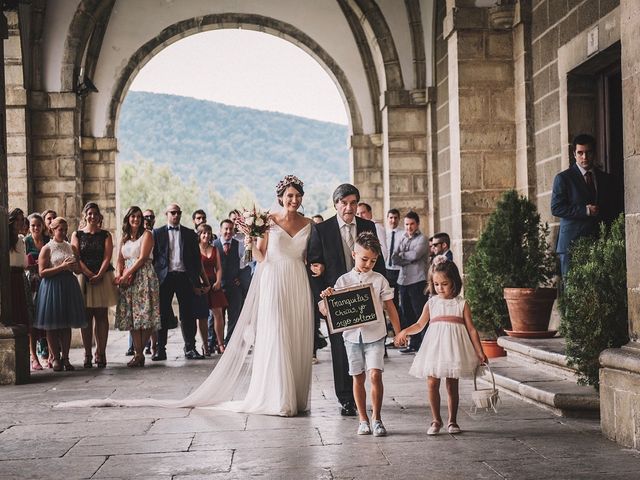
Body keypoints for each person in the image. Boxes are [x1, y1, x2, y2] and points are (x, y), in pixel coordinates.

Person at [58, 175, 314, 416]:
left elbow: (308, 256)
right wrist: (250, 238)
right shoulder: (267, 220)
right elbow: (261, 256)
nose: (294, 200)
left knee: (296, 332)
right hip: (273, 279)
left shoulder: (309, 224)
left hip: (297, 279)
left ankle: (297, 395)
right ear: (280, 197)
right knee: (277, 332)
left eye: (298, 196)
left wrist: (316, 267)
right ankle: (280, 396)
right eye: (289, 195)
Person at [308, 183, 386, 417]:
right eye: (344, 203)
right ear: (336, 204)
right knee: (340, 350)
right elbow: (313, 267)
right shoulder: (321, 230)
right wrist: (320, 301)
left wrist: (381, 294)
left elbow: (378, 262)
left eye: (353, 203)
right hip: (336, 299)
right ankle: (346, 399)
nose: (349, 208)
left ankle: (366, 396)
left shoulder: (368, 226)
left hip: (364, 298)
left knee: (367, 346)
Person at [319, 232, 402, 437]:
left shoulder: (379, 280)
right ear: (354, 253)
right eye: (364, 259)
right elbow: (326, 310)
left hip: (375, 334)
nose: (368, 264)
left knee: (375, 374)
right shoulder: (343, 280)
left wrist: (399, 332)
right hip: (351, 337)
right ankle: (363, 419)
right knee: (357, 377)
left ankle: (377, 419)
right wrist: (327, 298)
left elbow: (390, 307)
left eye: (373, 261)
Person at [395, 256, 487, 435]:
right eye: (436, 284)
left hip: (454, 349)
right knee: (432, 383)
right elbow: (420, 325)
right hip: (434, 348)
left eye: (444, 284)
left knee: (452, 385)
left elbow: (472, 329)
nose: (440, 288)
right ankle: (436, 420)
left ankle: (452, 421)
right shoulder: (432, 303)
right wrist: (404, 331)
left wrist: (479, 351)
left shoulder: (461, 303)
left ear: (454, 282)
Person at [551, 133, 615, 277]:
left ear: (594, 153)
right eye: (580, 153)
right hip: (571, 245)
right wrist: (584, 211)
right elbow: (556, 208)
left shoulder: (606, 178)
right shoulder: (563, 178)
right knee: (572, 291)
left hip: (599, 242)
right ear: (574, 154)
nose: (584, 157)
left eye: (588, 152)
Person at [152, 203, 205, 361]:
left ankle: (190, 348)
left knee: (188, 314)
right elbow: (154, 257)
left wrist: (196, 281)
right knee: (162, 315)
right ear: (166, 214)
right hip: (165, 277)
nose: (176, 215)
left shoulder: (189, 233)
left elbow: (196, 259)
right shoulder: (157, 232)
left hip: (184, 276)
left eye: (178, 213)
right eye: (173, 212)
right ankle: (161, 350)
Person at [33, 217, 86, 372]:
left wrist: (75, 267)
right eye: (59, 229)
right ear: (52, 230)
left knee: (66, 323)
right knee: (52, 324)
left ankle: (66, 358)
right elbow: (42, 272)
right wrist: (62, 267)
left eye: (65, 229)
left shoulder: (71, 247)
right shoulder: (47, 248)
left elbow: (78, 270)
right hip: (52, 287)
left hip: (69, 286)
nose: (63, 232)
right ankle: (55, 357)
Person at [71, 202, 118, 368]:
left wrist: (99, 274)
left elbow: (107, 257)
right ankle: (87, 353)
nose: (92, 216)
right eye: (89, 213)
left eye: (95, 213)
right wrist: (89, 274)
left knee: (101, 316)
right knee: (86, 317)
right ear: (85, 215)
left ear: (99, 217)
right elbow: (77, 257)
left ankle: (101, 352)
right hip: (85, 278)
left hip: (103, 276)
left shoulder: (105, 235)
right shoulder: (76, 235)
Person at [114, 206, 161, 367]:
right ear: (128, 218)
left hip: (144, 276)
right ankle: (138, 354)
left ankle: (139, 354)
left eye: (139, 217)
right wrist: (119, 275)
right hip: (128, 278)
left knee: (145, 314)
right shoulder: (124, 237)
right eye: (133, 216)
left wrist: (127, 273)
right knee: (132, 316)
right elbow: (120, 258)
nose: (136, 219)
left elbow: (142, 258)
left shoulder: (147, 235)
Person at [391, 211, 429, 353]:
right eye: (406, 224)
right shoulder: (402, 238)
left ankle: (424, 345)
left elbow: (415, 255)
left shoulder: (423, 239)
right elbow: (394, 257)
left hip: (417, 280)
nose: (409, 227)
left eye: (412, 224)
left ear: (417, 224)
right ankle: (413, 343)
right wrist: (405, 257)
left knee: (420, 313)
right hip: (403, 280)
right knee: (407, 313)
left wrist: (403, 256)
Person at [8, 209, 36, 366]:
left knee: (23, 315)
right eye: (17, 219)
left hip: (20, 278)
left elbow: (24, 263)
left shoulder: (21, 240)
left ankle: (25, 358)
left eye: (22, 219)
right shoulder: (6, 238)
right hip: (8, 278)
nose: (20, 222)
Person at [197, 223, 227, 355]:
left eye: (208, 233)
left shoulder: (214, 249)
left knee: (218, 314)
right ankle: (205, 345)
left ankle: (220, 344)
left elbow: (219, 267)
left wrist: (219, 281)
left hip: (214, 283)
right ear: (199, 234)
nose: (206, 235)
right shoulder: (195, 249)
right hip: (201, 284)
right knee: (202, 316)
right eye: (204, 233)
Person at [24, 213, 50, 370]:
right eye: (33, 225)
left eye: (38, 225)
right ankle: (34, 357)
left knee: (47, 318)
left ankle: (49, 354)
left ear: (43, 227)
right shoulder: (26, 241)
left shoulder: (48, 241)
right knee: (32, 320)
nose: (36, 228)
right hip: (31, 283)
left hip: (47, 281)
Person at [213, 219, 243, 345]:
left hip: (233, 286)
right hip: (218, 286)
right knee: (216, 316)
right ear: (220, 230)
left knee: (234, 316)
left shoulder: (239, 244)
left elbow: (246, 263)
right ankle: (213, 342)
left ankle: (230, 341)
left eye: (231, 229)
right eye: (226, 229)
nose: (228, 231)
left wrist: (240, 278)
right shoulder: (214, 245)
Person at [384, 208, 403, 345]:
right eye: (391, 217)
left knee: (400, 303)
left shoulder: (403, 235)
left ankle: (400, 332)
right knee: (389, 301)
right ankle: (391, 330)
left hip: (400, 270)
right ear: (387, 218)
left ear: (399, 219)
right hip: (387, 270)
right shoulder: (384, 233)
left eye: (396, 218)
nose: (393, 220)